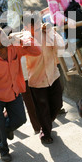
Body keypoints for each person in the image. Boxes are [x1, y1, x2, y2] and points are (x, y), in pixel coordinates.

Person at [0, 27, 41, 162]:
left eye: (5, 36)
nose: (5, 39)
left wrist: (22, 40)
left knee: (21, 119)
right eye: (1, 38)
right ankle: (3, 151)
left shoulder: (15, 48)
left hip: (14, 92)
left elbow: (37, 51)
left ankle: (7, 128)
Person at [25, 15, 65, 144]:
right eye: (34, 24)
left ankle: (47, 124)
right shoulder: (25, 40)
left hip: (53, 75)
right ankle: (45, 132)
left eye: (38, 23)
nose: (38, 26)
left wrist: (49, 31)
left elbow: (61, 47)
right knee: (43, 109)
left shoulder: (47, 33)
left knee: (57, 104)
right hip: (37, 80)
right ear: (27, 27)